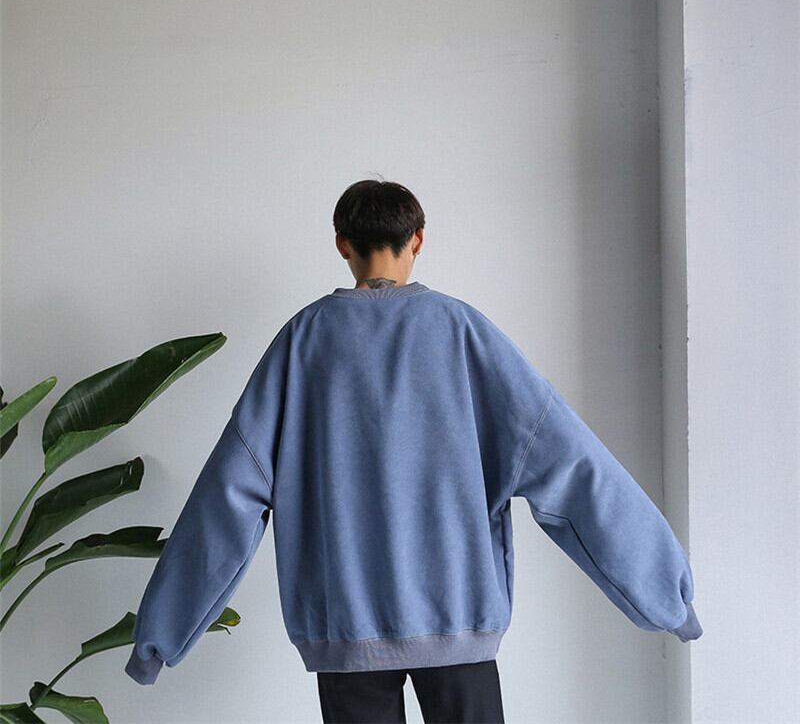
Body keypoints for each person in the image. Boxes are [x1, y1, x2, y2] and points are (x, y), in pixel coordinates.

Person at [124, 179, 702, 723]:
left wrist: (158, 640)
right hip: (459, 620)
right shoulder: (462, 331)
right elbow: (573, 466)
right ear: (417, 240)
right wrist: (667, 597)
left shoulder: (302, 342)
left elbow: (228, 495)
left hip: (345, 632)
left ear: (342, 244)